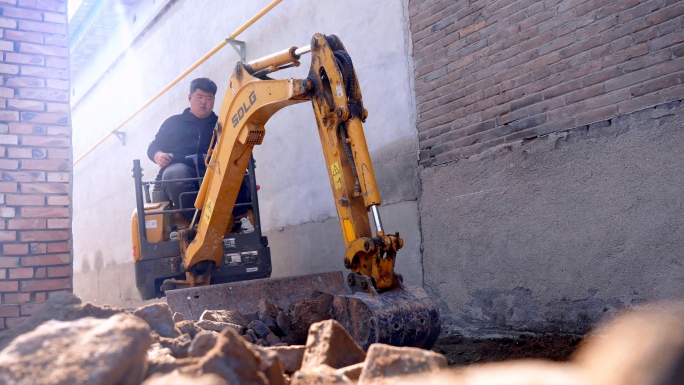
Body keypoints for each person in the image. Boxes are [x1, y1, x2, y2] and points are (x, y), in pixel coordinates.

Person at [147, 77, 253, 232]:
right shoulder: (172, 123)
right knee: (175, 174)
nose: (204, 102)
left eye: (209, 98)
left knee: (234, 167)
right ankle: (200, 223)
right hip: (181, 168)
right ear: (190, 97)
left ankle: (241, 218)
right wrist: (158, 155)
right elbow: (153, 147)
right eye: (200, 97)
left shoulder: (222, 124)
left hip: (212, 170)